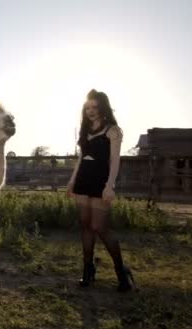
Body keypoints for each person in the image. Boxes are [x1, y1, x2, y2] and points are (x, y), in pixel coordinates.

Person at [66, 89, 135, 292]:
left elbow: (114, 161)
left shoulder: (113, 130)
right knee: (85, 225)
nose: (90, 111)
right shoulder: (85, 130)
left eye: (94, 107)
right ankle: (88, 271)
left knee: (99, 226)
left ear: (102, 107)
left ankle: (122, 271)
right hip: (82, 180)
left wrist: (109, 185)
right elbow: (80, 159)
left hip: (100, 181)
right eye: (87, 107)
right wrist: (71, 181)